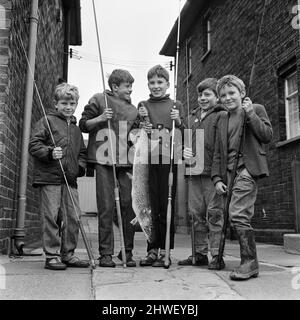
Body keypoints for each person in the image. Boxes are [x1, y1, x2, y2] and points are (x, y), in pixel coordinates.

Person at [211, 75, 273, 280]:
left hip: (247, 169)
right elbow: (218, 153)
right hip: (227, 173)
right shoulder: (221, 119)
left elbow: (266, 136)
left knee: (238, 214)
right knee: (222, 214)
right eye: (223, 95)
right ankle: (218, 256)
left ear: (242, 93)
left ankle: (250, 262)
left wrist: (251, 114)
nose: (228, 98)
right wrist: (217, 179)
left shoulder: (256, 108)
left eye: (232, 93)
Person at [79, 69, 138, 267]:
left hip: (127, 164)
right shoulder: (98, 99)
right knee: (106, 206)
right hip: (104, 162)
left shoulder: (134, 110)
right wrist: (101, 118)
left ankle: (127, 252)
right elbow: (83, 125)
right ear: (115, 87)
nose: (131, 90)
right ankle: (105, 254)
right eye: (127, 86)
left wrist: (141, 130)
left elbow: (136, 136)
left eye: (131, 86)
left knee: (129, 206)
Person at [29, 83, 89, 270]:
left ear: (76, 105)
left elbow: (82, 153)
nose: (68, 107)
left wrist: (79, 168)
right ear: (56, 104)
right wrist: (48, 152)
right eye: (64, 103)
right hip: (50, 178)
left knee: (73, 217)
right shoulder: (47, 121)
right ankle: (52, 255)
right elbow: (34, 144)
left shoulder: (77, 130)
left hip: (69, 180)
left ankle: (68, 254)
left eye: (72, 103)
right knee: (52, 216)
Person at [138, 65, 184, 267]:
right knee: (150, 205)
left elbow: (185, 132)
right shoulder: (143, 105)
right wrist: (142, 125)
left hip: (168, 159)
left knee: (166, 204)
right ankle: (152, 250)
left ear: (167, 84)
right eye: (152, 82)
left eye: (160, 82)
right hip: (148, 160)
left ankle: (165, 249)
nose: (156, 86)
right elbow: (135, 135)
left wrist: (179, 121)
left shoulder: (175, 105)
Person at [178, 78, 226, 269]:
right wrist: (184, 150)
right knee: (196, 215)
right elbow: (184, 143)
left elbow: (220, 148)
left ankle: (217, 255)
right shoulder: (191, 118)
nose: (203, 98)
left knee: (214, 215)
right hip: (193, 173)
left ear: (216, 97)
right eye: (200, 95)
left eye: (207, 94)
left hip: (212, 174)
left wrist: (218, 176)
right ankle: (199, 254)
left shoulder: (221, 115)